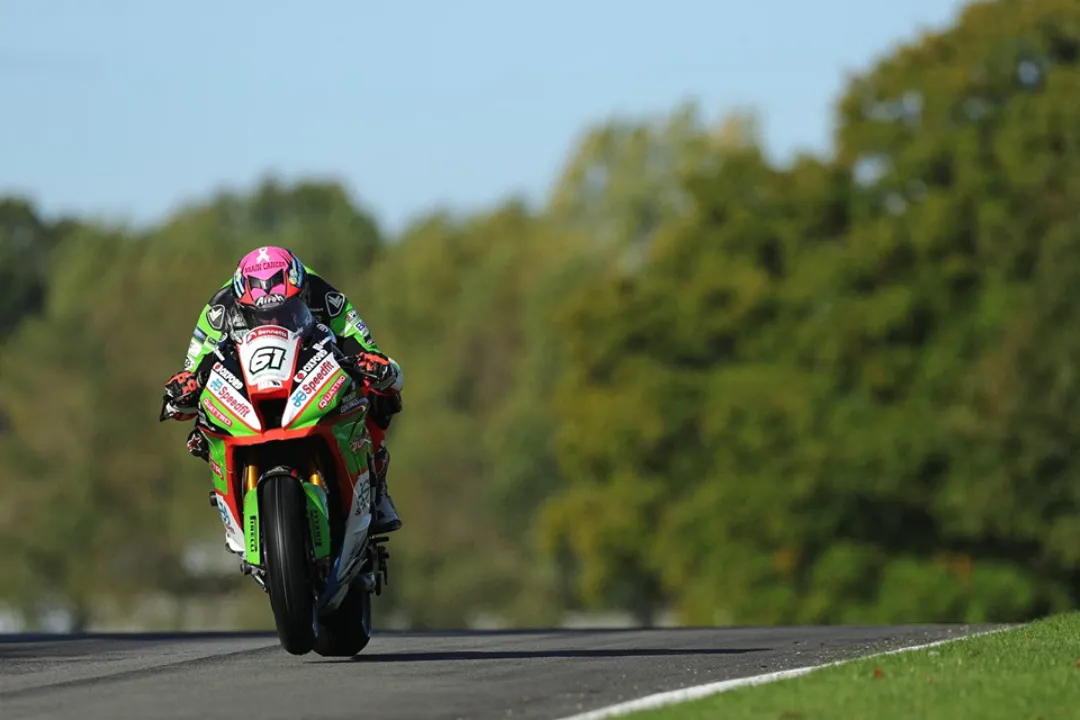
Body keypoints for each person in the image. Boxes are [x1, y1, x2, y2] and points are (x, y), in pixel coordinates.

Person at [160, 245, 403, 536]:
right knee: (199, 426)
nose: (273, 320)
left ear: (300, 293)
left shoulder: (326, 296)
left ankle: (376, 478)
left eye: (285, 310)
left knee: (382, 387)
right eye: (259, 316)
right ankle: (230, 495)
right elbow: (195, 366)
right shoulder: (218, 310)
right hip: (251, 377)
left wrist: (371, 363)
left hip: (311, 364)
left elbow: (362, 344)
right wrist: (185, 387)